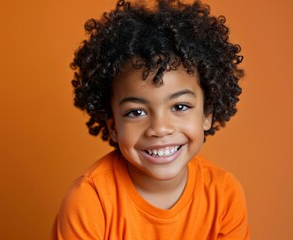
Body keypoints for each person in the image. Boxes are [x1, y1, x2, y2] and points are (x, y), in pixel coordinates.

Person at [52, 0, 249, 239]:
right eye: (136, 112)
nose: (160, 128)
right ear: (113, 126)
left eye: (179, 106)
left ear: (207, 115)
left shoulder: (224, 195)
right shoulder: (90, 200)